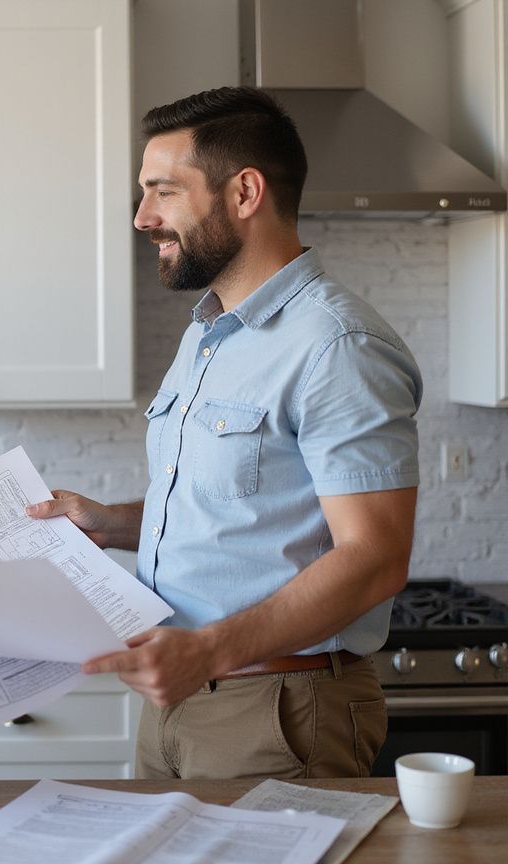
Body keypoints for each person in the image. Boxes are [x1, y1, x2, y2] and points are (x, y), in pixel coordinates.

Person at [27, 86, 421, 780]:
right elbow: (246, 507)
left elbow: (375, 556)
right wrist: (113, 523)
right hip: (178, 700)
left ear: (244, 193)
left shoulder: (337, 345)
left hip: (277, 707)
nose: (143, 217)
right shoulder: (211, 333)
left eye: (163, 192)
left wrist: (207, 652)